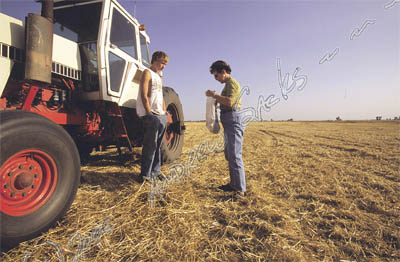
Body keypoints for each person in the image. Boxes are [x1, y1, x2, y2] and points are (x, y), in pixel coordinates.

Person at [206, 60, 246, 197]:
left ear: (223, 72)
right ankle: (233, 184)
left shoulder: (232, 83)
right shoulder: (227, 85)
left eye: (216, 76)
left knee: (235, 154)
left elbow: (229, 102)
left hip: (233, 119)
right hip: (229, 121)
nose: (216, 79)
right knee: (229, 154)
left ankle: (240, 189)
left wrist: (214, 96)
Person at [136, 51, 169, 182]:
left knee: (158, 146)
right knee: (150, 145)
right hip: (152, 115)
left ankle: (156, 171)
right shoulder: (147, 73)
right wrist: (149, 113)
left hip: (161, 115)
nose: (164, 66)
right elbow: (143, 94)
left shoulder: (159, 77)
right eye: (162, 62)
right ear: (155, 60)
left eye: (165, 64)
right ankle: (145, 175)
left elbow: (161, 96)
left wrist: (165, 112)